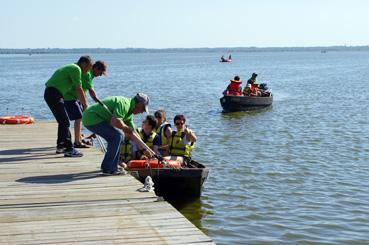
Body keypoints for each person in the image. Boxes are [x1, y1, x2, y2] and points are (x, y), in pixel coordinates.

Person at [82, 93, 150, 175]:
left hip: (94, 118)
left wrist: (145, 150)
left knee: (117, 137)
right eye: (143, 109)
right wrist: (125, 128)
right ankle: (108, 168)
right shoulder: (125, 104)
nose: (142, 112)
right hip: (91, 117)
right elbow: (115, 121)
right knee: (116, 137)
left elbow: (133, 134)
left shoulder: (129, 114)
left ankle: (112, 166)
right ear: (139, 104)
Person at [44, 55, 92, 157]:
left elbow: (77, 90)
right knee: (65, 121)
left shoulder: (71, 67)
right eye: (88, 67)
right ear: (83, 63)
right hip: (54, 93)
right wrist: (85, 104)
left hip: (52, 93)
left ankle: (60, 146)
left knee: (63, 121)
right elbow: (79, 89)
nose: (88, 71)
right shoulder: (76, 69)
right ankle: (69, 149)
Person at [64, 61, 107, 148]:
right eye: (100, 72)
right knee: (78, 117)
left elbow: (84, 89)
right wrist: (99, 102)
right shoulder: (88, 74)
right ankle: (77, 142)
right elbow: (91, 91)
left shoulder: (89, 73)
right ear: (96, 68)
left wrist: (85, 102)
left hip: (77, 97)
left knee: (81, 116)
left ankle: (79, 138)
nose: (100, 75)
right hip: (69, 96)